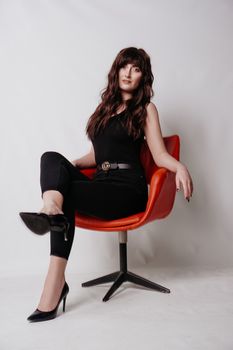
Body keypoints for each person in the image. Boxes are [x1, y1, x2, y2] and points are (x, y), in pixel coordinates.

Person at [19, 47, 193, 322]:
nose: (129, 72)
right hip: (101, 183)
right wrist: (67, 166)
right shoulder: (104, 109)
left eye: (136, 69)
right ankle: (51, 208)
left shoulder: (146, 109)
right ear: (116, 71)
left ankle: (53, 286)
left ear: (142, 77)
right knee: (50, 158)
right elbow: (97, 157)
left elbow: (159, 155)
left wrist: (179, 166)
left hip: (127, 190)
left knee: (69, 193)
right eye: (125, 66)